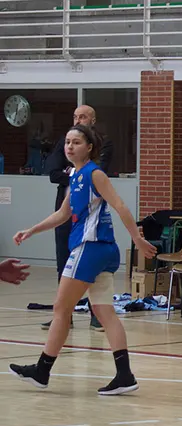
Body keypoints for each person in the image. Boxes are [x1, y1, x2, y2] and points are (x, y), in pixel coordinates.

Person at [10, 124, 156, 395]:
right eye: (67, 142)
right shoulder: (74, 175)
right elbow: (63, 214)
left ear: (89, 147)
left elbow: (120, 205)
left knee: (60, 309)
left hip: (89, 248)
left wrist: (136, 239)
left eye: (76, 142)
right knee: (104, 311)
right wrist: (31, 230)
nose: (69, 146)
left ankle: (42, 371)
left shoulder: (94, 173)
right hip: (100, 251)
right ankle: (125, 375)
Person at [42, 104, 114, 332]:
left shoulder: (104, 143)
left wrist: (72, 174)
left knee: (91, 266)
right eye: (75, 116)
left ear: (92, 120)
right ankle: (64, 315)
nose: (78, 120)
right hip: (65, 210)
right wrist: (73, 175)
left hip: (90, 216)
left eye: (83, 116)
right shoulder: (65, 142)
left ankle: (97, 316)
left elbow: (95, 173)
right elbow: (53, 173)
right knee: (63, 261)